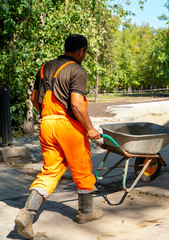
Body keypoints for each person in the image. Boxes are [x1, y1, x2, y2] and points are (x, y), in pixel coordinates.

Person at [15, 34, 103, 239]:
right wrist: (89, 128)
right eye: (85, 52)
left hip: (46, 124)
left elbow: (35, 99)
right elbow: (77, 104)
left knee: (49, 171)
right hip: (68, 127)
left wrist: (47, 117)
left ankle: (27, 214)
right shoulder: (77, 70)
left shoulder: (44, 68)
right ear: (81, 51)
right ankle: (86, 213)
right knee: (82, 169)